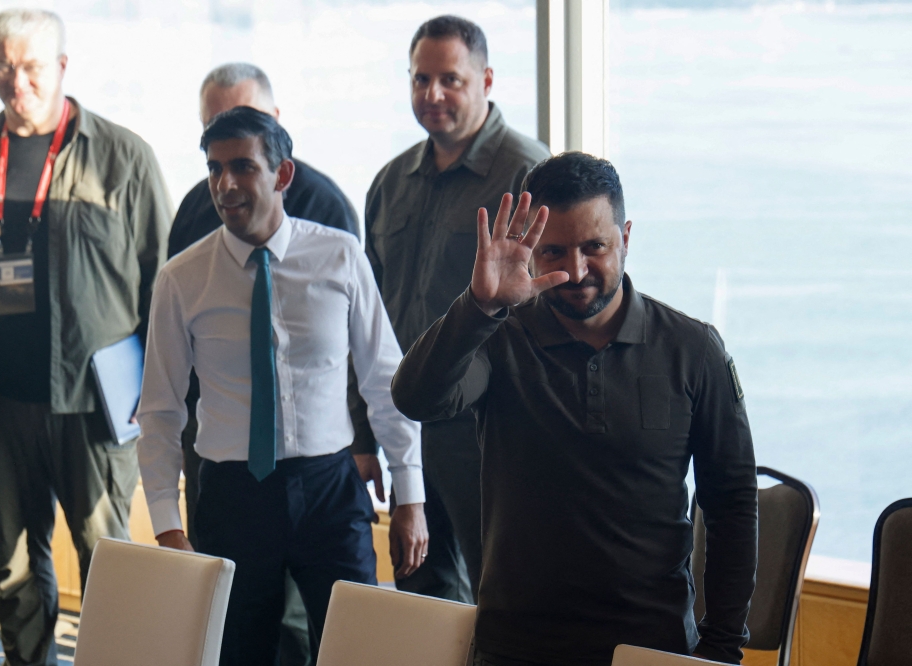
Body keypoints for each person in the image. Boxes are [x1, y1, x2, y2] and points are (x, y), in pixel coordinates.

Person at [392, 152, 759, 666]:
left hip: (650, 645)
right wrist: (479, 306)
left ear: (626, 238)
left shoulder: (693, 350)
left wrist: (721, 647)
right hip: (515, 647)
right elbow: (417, 399)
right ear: (532, 251)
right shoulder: (500, 339)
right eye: (555, 252)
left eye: (596, 247)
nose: (577, 269)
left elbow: (732, 503)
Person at [0, 9, 171, 666]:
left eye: (30, 66)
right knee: (12, 572)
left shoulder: (124, 156)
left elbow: (163, 287)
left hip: (95, 408)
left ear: (62, 68)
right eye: (4, 64)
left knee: (111, 565)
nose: (15, 80)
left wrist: (160, 397)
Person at [137, 106, 427, 666]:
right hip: (231, 496)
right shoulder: (181, 279)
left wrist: (410, 493)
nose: (225, 185)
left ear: (282, 175)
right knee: (239, 653)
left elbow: (384, 381)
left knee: (356, 646)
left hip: (329, 490)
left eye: (242, 167)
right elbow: (160, 412)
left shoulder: (340, 256)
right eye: (214, 168)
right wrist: (167, 526)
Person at [168, 63, 375, 666]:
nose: (227, 180)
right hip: (229, 474)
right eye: (214, 140)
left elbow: (358, 352)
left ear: (278, 146)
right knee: (239, 634)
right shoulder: (192, 221)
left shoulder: (330, 220)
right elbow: (174, 361)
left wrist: (367, 444)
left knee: (338, 634)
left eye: (244, 155)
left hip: (322, 471)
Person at [365, 14, 550, 602]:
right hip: (403, 429)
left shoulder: (525, 171)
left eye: (451, 80)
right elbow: (366, 318)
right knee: (419, 597)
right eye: (421, 80)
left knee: (498, 596)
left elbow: (546, 312)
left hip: (483, 436)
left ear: (487, 79)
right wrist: (362, 431)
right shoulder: (391, 182)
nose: (433, 95)